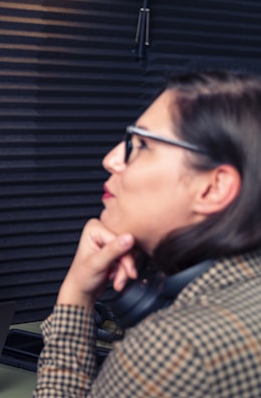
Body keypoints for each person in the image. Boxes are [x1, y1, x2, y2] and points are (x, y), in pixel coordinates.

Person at [33, 71, 261, 397]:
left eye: (140, 144)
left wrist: (76, 298)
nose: (111, 159)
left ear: (213, 188)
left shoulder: (175, 347)